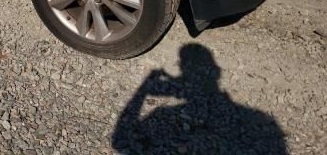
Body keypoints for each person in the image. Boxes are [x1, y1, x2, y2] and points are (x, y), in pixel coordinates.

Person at [112, 43, 287, 154]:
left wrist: (143, 90)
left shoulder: (161, 112)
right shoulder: (263, 119)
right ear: (217, 71)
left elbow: (119, 140)